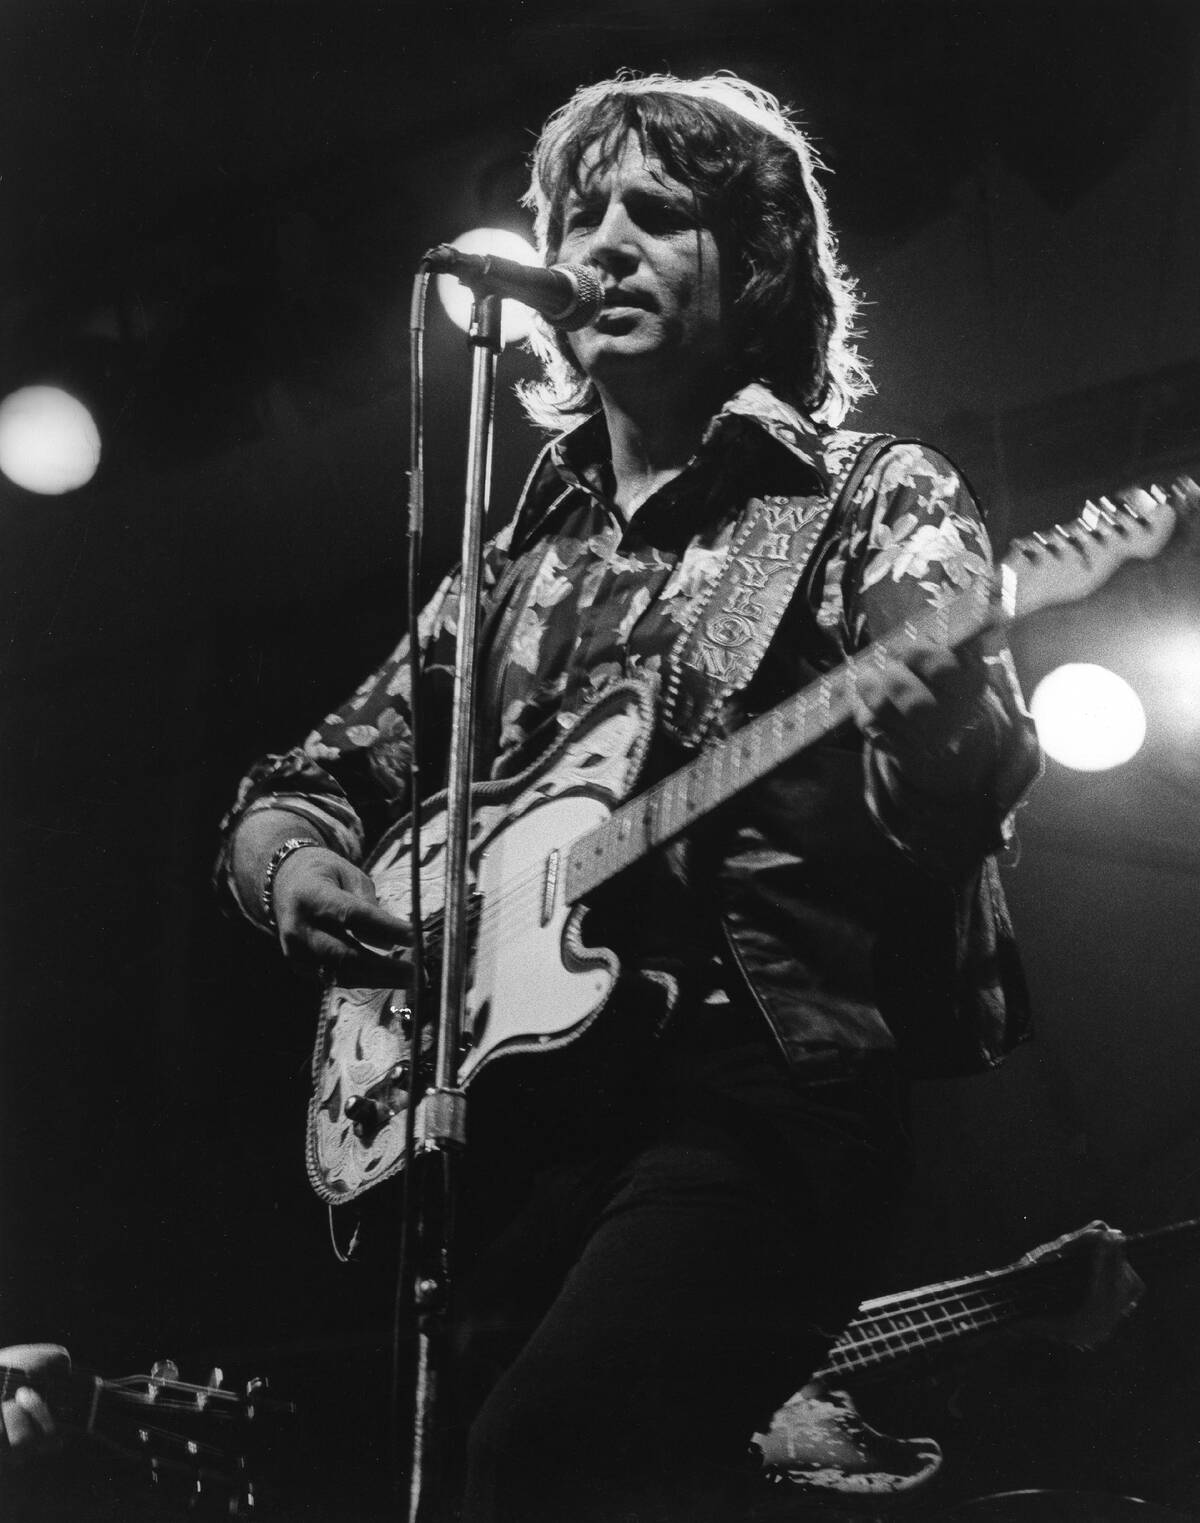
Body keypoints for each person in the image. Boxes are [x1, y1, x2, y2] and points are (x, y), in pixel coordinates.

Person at [217, 73, 1046, 1522]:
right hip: (525, 1121)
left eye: (654, 216)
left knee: (554, 1457)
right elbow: (309, 777)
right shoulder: (519, 565)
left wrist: (937, 722)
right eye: (577, 217)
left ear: (763, 262)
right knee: (484, 1480)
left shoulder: (865, 497)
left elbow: (962, 796)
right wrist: (291, 866)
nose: (598, 245)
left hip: (759, 1088)